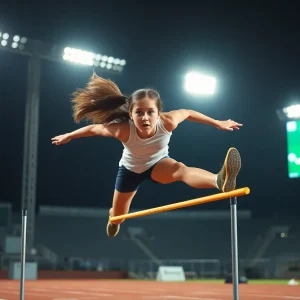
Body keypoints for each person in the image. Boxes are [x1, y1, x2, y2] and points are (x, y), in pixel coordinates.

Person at [51, 73, 243, 238]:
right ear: (131, 115)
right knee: (119, 214)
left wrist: (218, 122)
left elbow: (189, 112)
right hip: (129, 171)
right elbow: (94, 128)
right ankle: (114, 219)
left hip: (158, 164)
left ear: (159, 113)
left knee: (179, 169)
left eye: (150, 112)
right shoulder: (122, 130)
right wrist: (69, 136)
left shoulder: (168, 121)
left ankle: (218, 180)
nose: (145, 117)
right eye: (139, 113)